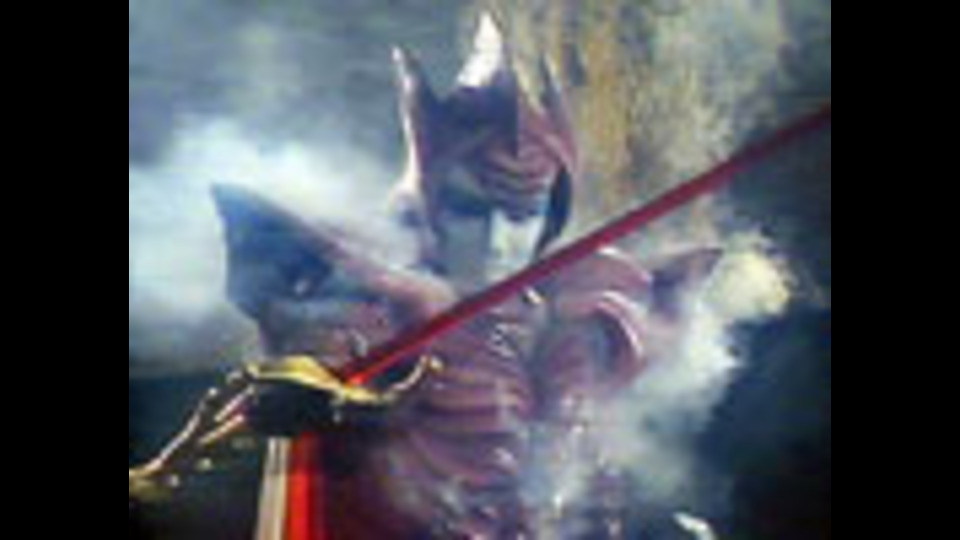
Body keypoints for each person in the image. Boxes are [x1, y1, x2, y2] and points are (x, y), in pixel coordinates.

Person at [130, 14, 718, 539]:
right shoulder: (380, 298)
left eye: (521, 214)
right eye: (470, 209)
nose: (498, 241)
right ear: (432, 197)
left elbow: (589, 469)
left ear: (552, 212)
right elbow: (302, 384)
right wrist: (329, 409)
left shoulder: (588, 305)